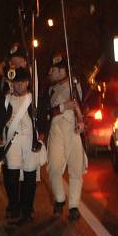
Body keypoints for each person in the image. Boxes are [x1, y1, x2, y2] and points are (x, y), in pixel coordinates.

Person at [0, 67, 46, 223]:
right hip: (13, 140)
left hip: (30, 138)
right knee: (12, 175)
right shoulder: (6, 99)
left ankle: (27, 208)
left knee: (30, 176)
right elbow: (0, 119)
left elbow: (42, 119)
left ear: (28, 83)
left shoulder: (33, 99)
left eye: (22, 82)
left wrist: (41, 138)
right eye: (16, 83)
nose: (19, 86)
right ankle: (14, 207)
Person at [45, 54, 86, 221]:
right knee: (54, 167)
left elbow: (83, 106)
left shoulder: (76, 85)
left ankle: (74, 205)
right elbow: (45, 113)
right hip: (56, 130)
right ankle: (60, 199)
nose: (50, 72)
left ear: (63, 71)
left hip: (73, 130)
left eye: (53, 70)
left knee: (76, 169)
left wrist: (82, 121)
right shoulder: (49, 90)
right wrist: (62, 107)